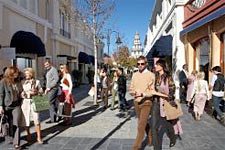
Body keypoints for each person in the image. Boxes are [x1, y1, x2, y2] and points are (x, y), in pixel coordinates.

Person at [129, 56, 167, 150]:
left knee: (141, 125)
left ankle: (136, 147)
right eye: (138, 64)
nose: (140, 66)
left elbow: (152, 91)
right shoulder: (134, 75)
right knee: (143, 123)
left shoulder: (151, 75)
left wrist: (143, 94)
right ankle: (150, 137)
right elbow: (131, 88)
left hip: (147, 102)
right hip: (137, 102)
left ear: (146, 64)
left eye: (142, 64)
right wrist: (133, 92)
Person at [154, 59, 178, 149]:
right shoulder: (156, 76)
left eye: (157, 65)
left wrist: (168, 98)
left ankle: (172, 137)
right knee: (158, 124)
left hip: (166, 103)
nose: (155, 66)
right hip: (157, 103)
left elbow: (172, 89)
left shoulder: (168, 77)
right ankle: (158, 144)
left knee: (167, 123)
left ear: (162, 66)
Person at [0, 66, 23, 149]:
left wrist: (22, 94)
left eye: (17, 72)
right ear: (10, 73)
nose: (17, 74)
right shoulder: (3, 82)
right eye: (15, 72)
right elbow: (1, 95)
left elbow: (21, 92)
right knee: (9, 123)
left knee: (17, 123)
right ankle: (9, 137)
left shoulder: (18, 81)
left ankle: (16, 143)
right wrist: (1, 107)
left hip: (16, 105)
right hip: (7, 106)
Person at [21, 68, 44, 144]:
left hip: (34, 101)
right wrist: (24, 94)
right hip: (25, 102)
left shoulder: (37, 82)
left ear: (31, 74)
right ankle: (28, 135)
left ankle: (39, 137)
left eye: (28, 73)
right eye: (25, 73)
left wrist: (37, 92)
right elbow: (19, 93)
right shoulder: (22, 82)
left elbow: (41, 91)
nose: (26, 75)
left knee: (37, 119)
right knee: (26, 119)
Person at [44, 59, 59, 123]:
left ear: (50, 63)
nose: (46, 66)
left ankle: (53, 118)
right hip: (50, 88)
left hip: (53, 88)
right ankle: (54, 117)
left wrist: (49, 87)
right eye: (45, 65)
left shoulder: (53, 69)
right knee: (52, 102)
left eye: (47, 64)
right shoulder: (48, 70)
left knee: (50, 102)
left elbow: (56, 79)